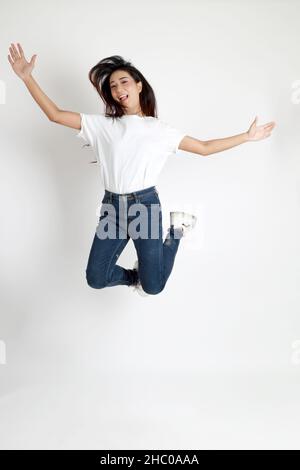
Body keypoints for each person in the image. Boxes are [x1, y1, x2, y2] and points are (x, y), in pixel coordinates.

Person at [8, 42, 276, 296]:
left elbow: (204, 147)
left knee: (154, 287)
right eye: (112, 85)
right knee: (96, 278)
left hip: (144, 208)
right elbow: (54, 114)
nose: (118, 88)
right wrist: (27, 78)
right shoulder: (101, 126)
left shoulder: (159, 131)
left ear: (138, 85)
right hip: (112, 209)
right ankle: (134, 277)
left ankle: (177, 230)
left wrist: (246, 137)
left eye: (123, 81)